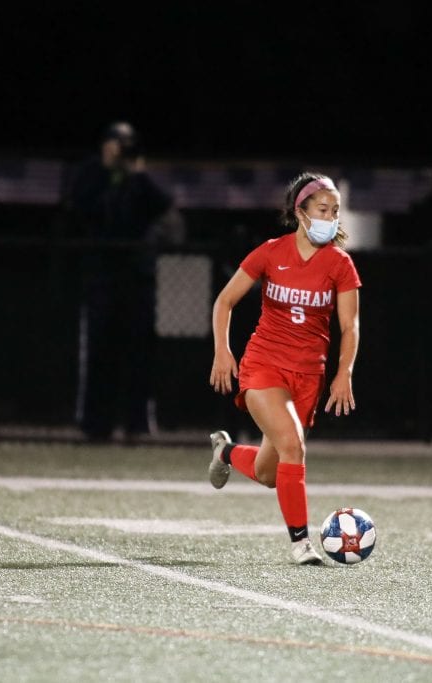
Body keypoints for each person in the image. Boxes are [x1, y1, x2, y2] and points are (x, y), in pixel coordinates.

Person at [208, 172, 362, 565]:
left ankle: (225, 453)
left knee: (267, 473)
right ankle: (301, 544)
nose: (331, 217)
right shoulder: (271, 252)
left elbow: (349, 326)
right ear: (301, 212)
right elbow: (224, 301)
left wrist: (343, 373)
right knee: (294, 445)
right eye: (323, 210)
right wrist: (223, 352)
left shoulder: (339, 264)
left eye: (335, 211)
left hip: (308, 375)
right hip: (264, 365)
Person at [61, 121, 183, 442]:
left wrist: (138, 173)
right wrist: (106, 170)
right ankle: (95, 425)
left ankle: (136, 425)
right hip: (103, 275)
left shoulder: (141, 180)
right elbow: (80, 206)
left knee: (139, 351)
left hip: (137, 277)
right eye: (116, 143)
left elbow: (162, 203)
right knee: (100, 350)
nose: (120, 150)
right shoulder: (91, 173)